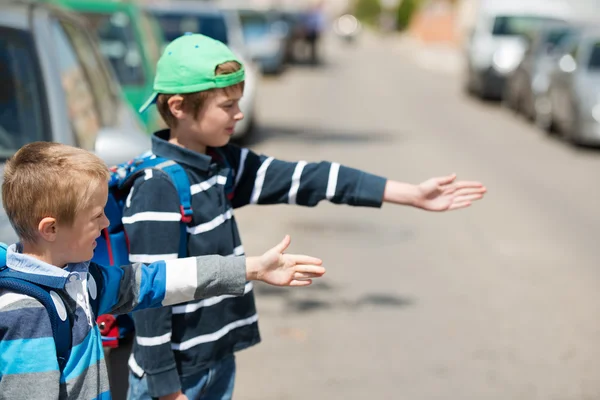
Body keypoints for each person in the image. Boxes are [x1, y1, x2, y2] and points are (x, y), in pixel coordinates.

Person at [126, 33, 487, 400]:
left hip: (216, 361)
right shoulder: (159, 186)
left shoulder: (222, 164)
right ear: (178, 107)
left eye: (239, 102)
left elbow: (311, 178)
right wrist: (167, 391)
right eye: (227, 105)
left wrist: (409, 194)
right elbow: (149, 293)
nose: (239, 114)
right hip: (174, 378)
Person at [0, 141, 326, 400]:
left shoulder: (81, 281)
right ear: (51, 229)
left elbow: (158, 280)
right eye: (96, 215)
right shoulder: (28, 316)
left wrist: (251, 268)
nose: (107, 223)